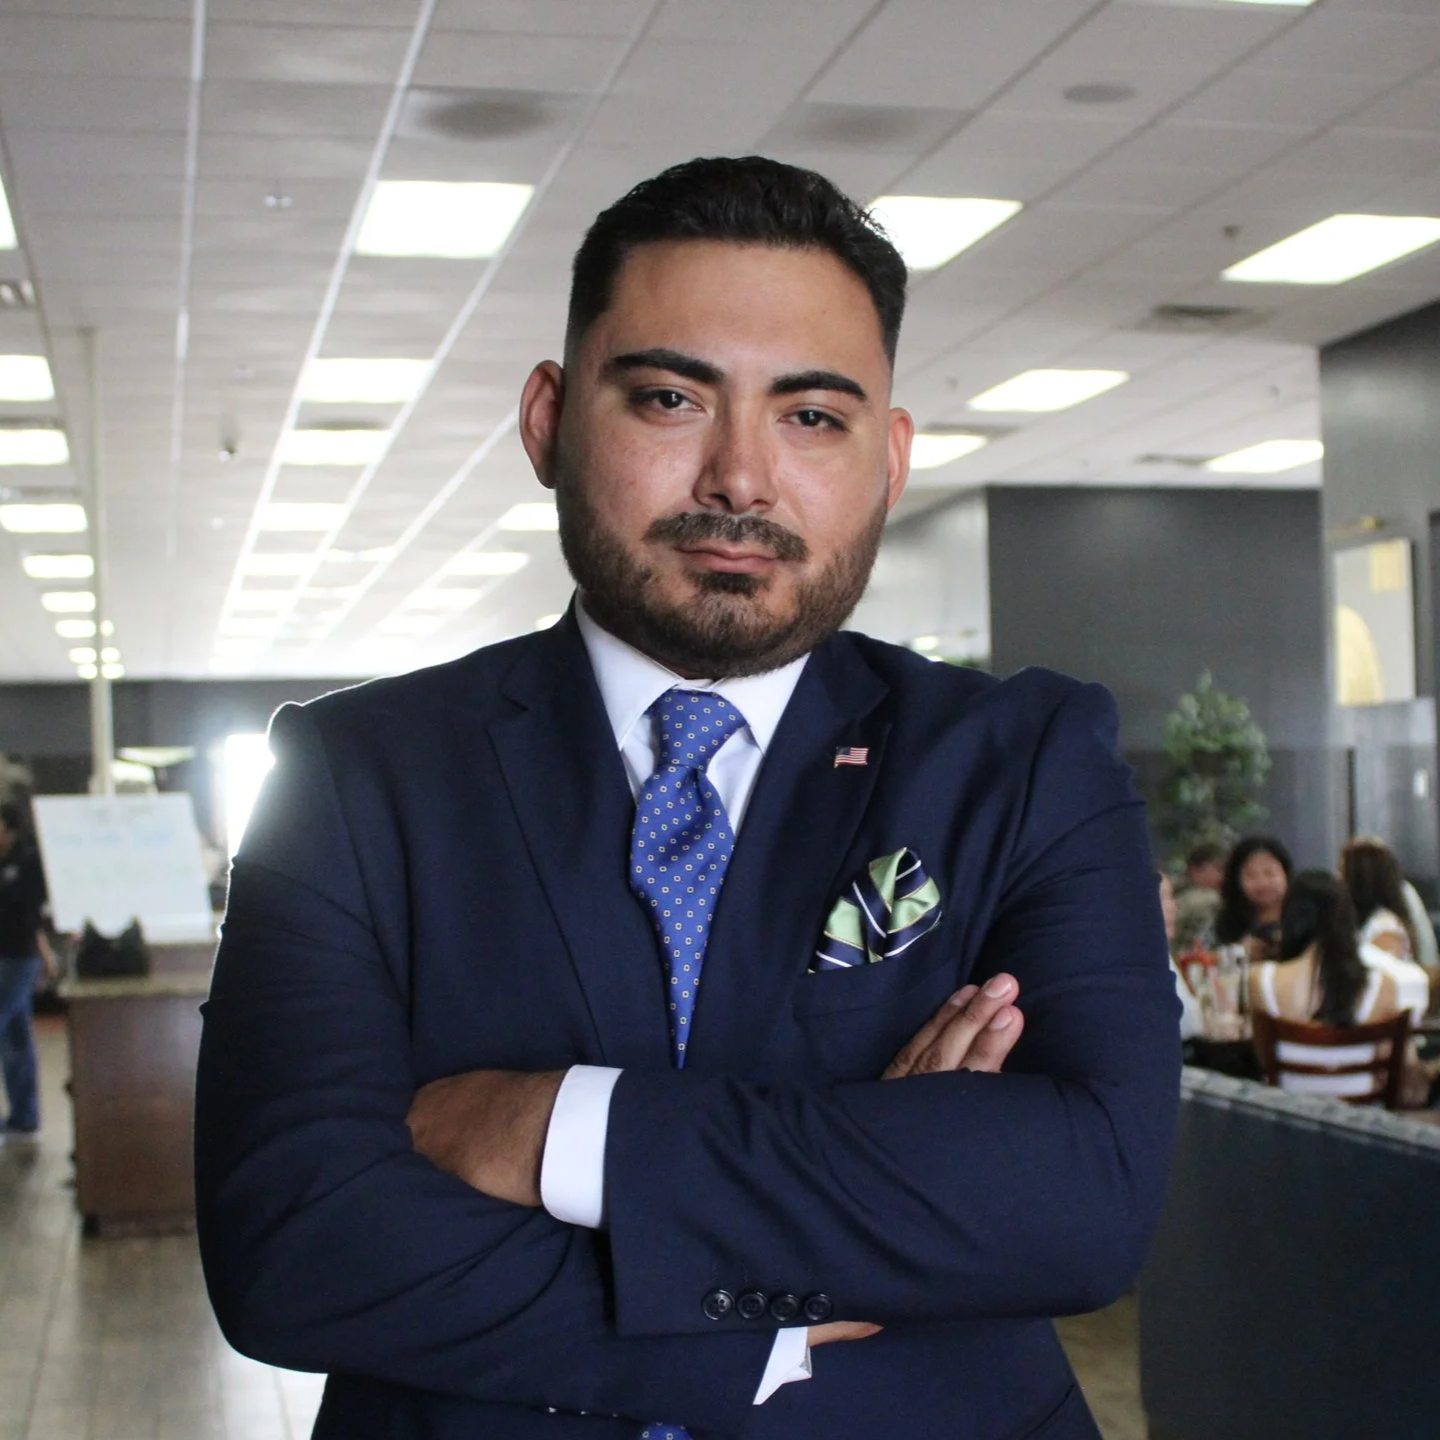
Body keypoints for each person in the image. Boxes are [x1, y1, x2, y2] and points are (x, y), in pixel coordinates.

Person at [195, 156, 1181, 1440]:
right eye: (670, 397)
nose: (740, 479)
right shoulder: (354, 777)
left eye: (812, 418)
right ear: (550, 421)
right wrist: (835, 1235)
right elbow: (295, 1245)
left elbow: (1086, 1201)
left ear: (888, 458)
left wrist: (557, 1127)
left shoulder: (1022, 758)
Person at [1246, 870, 1404, 1098]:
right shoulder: (1385, 985)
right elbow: (1384, 1070)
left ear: (1289, 917)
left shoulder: (1259, 980)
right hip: (1363, 1124)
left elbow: (1263, 1060)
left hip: (1291, 1120)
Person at [1338, 836, 1431, 1020]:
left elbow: (1374, 982)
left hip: (1386, 1025)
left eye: (1341, 871)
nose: (1336, 878)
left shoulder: (1386, 927)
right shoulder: (1358, 922)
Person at [0, 801, 49, 1143]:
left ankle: (24, 1117)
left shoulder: (28, 860)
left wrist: (45, 953)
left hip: (21, 957)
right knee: (16, 1039)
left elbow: (34, 914)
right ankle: (24, 1119)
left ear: (10, 828)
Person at [1214, 835, 1292, 960]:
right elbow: (1208, 957)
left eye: (1269, 873)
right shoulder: (1226, 921)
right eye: (1251, 876)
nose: (1262, 883)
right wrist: (1240, 951)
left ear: (1285, 873)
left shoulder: (1305, 916)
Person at [1159, 873, 1203, 1042]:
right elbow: (1190, 1025)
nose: (1173, 907)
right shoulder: (1148, 961)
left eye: (1171, 897)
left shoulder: (1164, 954)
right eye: (1162, 898)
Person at [1171, 840, 1226, 952]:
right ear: (1195, 870)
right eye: (1219, 869)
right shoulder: (1204, 900)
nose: (1225, 876)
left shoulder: (1176, 894)